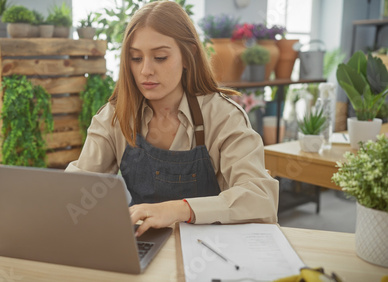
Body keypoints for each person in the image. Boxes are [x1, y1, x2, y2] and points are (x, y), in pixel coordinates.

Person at [66, 1, 278, 236]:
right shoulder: (115, 116)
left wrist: (180, 209)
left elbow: (262, 198)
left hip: (209, 250)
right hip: (141, 247)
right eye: (136, 59)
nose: (146, 70)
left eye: (160, 57)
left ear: (188, 57)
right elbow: (78, 191)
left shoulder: (223, 116)